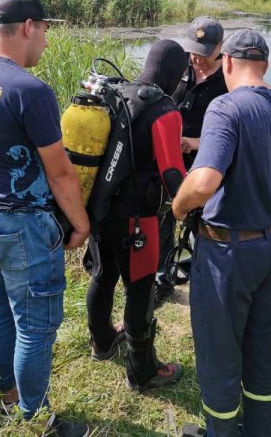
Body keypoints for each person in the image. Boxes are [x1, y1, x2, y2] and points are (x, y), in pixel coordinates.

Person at [0, 0, 91, 436]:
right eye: (46, 30)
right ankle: (36, 420)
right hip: (18, 225)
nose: (47, 41)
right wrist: (82, 223)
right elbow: (62, 174)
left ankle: (9, 399)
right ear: (29, 26)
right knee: (34, 325)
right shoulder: (30, 91)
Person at [172, 30, 271, 437]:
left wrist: (179, 208)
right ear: (264, 65)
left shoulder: (225, 108)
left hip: (227, 255)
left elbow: (203, 183)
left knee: (219, 357)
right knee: (262, 353)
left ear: (227, 62)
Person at [85, 39, 188, 390]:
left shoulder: (116, 94)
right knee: (140, 291)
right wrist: (193, 205)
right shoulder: (165, 111)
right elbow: (174, 174)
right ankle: (143, 371)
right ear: (175, 73)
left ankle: (101, 342)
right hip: (138, 223)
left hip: (100, 211)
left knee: (102, 275)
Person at [155, 16, 228, 302]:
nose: (197, 58)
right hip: (170, 161)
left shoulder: (229, 79)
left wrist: (195, 143)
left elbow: (235, 131)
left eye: (204, 52)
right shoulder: (180, 68)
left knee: (206, 224)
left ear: (220, 48)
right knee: (163, 219)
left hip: (207, 165)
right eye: (193, 50)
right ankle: (163, 277)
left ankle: (208, 281)